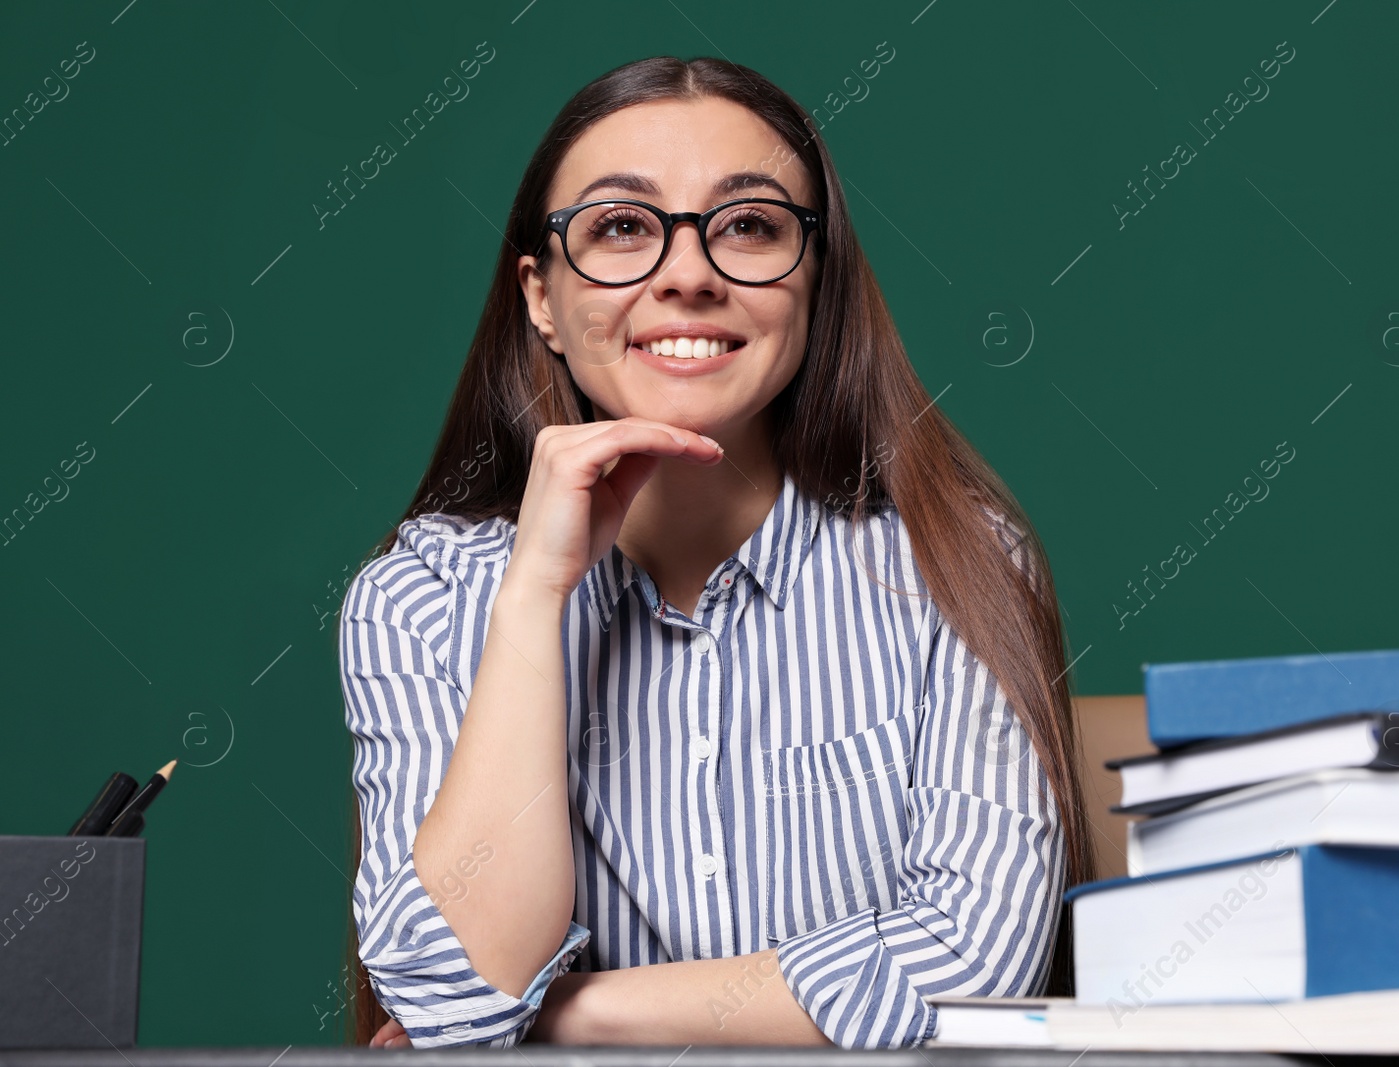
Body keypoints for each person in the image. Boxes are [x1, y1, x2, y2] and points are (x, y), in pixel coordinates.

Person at [337, 54, 1094, 1050]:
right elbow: (450, 992)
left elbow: (968, 973)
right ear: (542, 297)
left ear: (813, 283)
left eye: (748, 226)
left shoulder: (954, 562)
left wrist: (565, 1014)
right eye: (619, 228)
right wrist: (534, 596)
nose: (687, 273)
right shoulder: (421, 597)